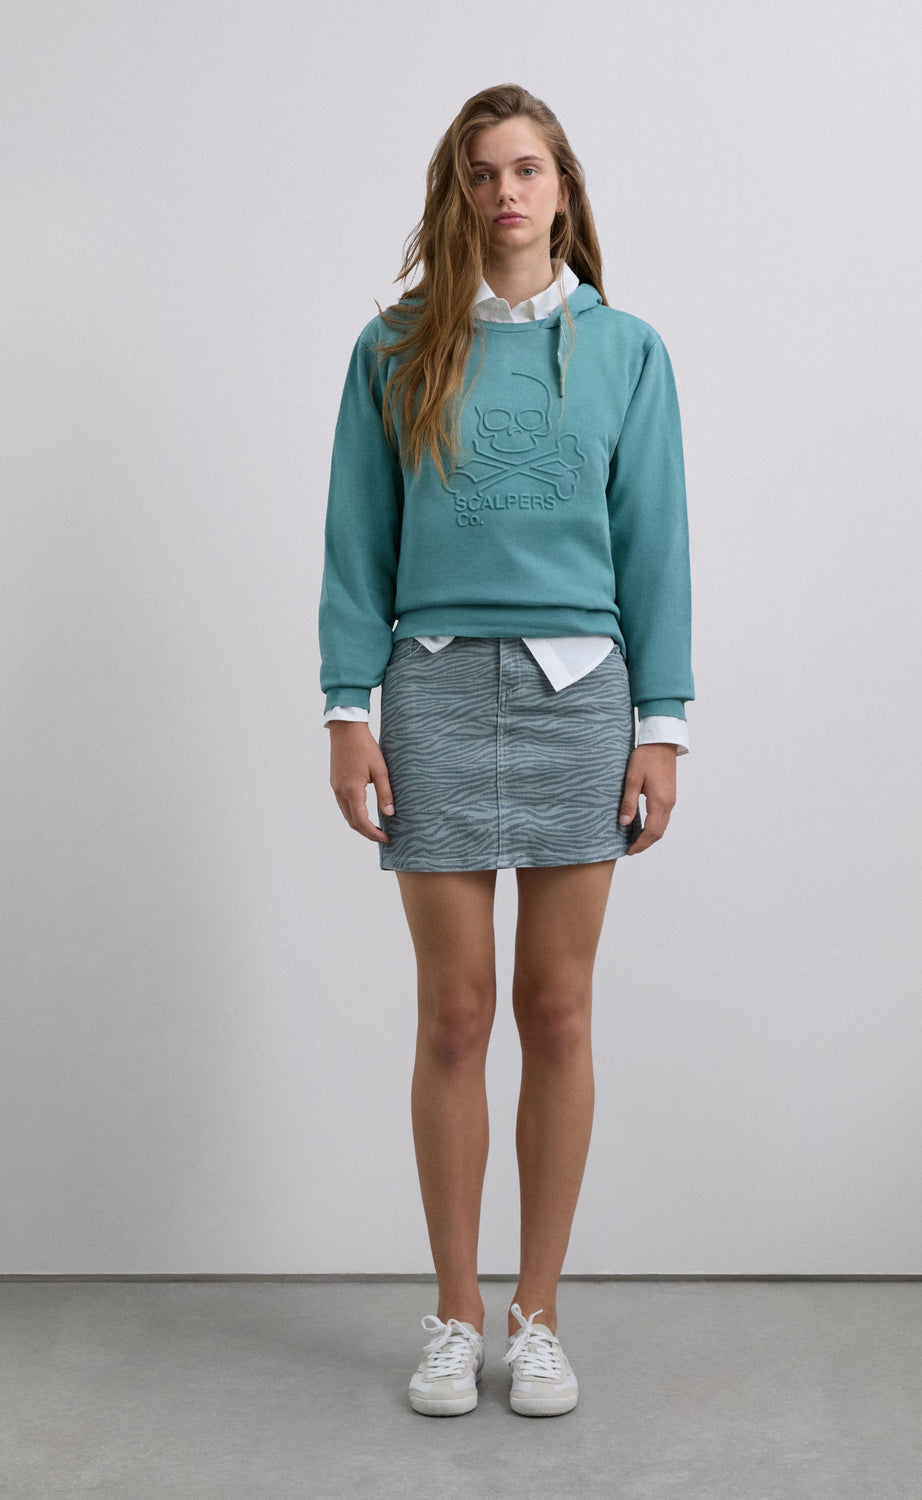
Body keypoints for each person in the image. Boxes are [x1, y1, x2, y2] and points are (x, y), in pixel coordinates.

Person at [319, 82, 694, 1418]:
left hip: (582, 696)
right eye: (481, 173)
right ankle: (455, 1315)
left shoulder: (628, 351)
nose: (505, 193)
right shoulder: (393, 348)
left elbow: (656, 543)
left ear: (563, 188)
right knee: (456, 1013)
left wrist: (661, 729)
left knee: (557, 1009)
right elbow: (355, 540)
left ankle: (537, 1314)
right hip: (429, 692)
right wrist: (347, 711)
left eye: (527, 168)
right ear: (455, 194)